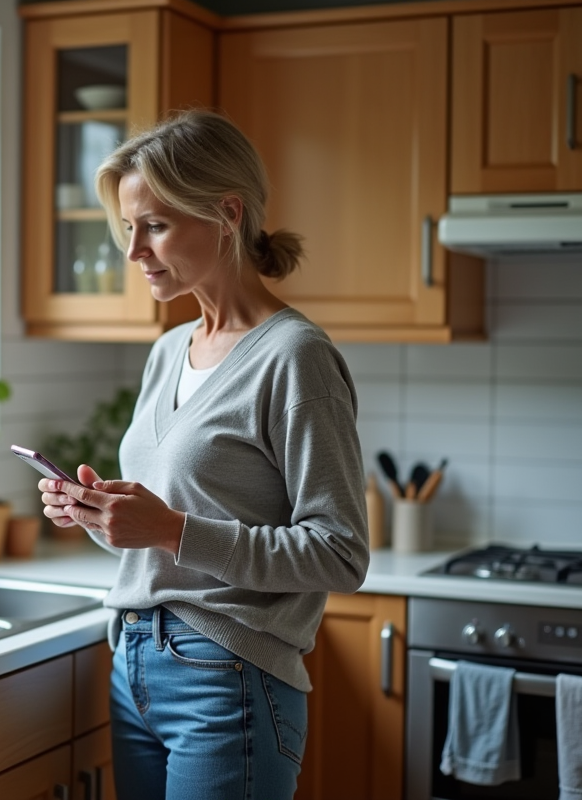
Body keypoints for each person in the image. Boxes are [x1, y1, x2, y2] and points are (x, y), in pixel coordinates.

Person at [38, 109, 370, 800]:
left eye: (154, 225)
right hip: (133, 663)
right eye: (129, 228)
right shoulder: (168, 351)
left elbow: (340, 552)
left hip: (229, 676)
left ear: (226, 214)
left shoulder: (295, 358)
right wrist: (103, 518)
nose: (134, 252)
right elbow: (166, 535)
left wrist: (167, 529)